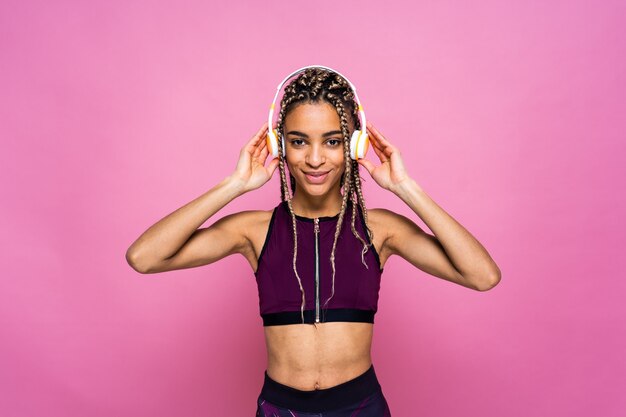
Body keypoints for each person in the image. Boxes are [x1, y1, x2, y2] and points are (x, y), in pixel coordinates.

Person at [126, 66, 502, 416]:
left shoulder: (379, 230)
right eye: (300, 141)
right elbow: (144, 257)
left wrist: (407, 189)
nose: (316, 159)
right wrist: (233, 185)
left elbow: (482, 275)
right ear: (280, 146)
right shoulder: (253, 230)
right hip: (280, 407)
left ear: (354, 146)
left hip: (360, 406)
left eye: (333, 141)